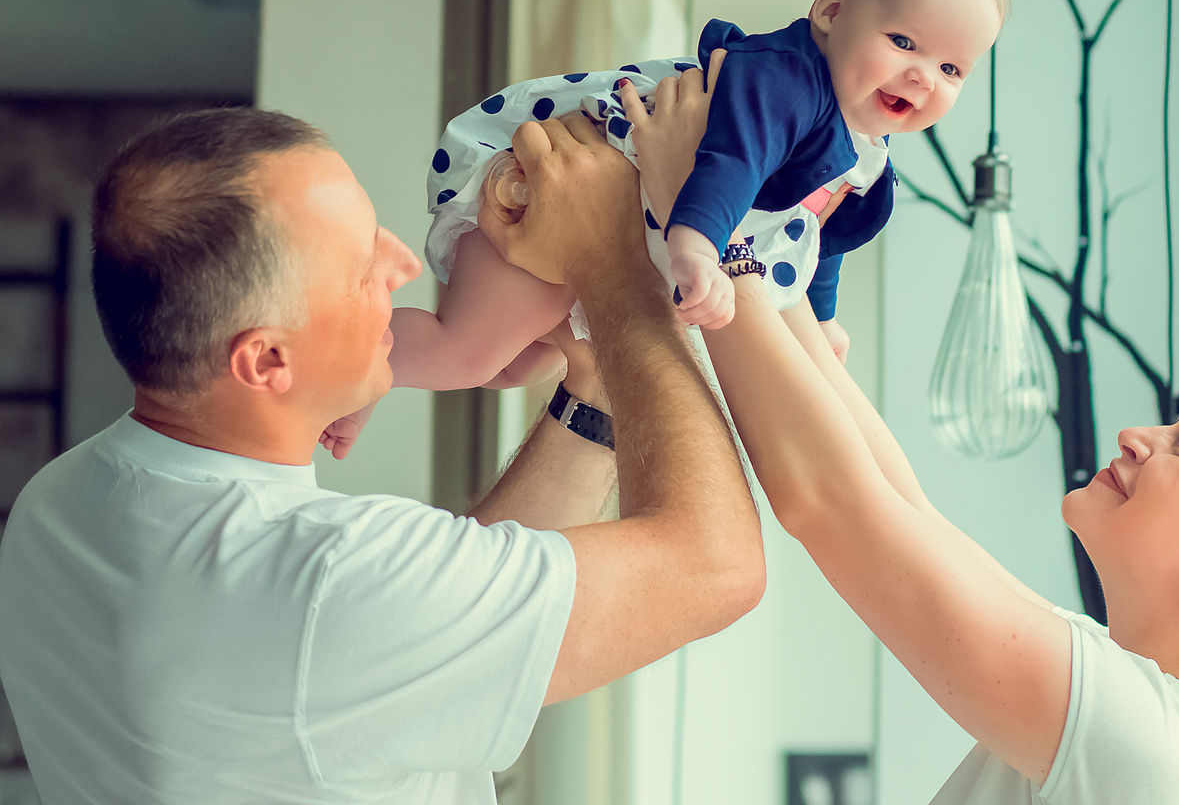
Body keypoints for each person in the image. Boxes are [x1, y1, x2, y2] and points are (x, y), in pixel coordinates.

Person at [618, 67, 1179, 804]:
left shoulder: (1153, 754)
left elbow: (836, 507)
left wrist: (697, 220)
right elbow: (901, 505)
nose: (1138, 435)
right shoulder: (1149, 710)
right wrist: (770, 229)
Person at [0, 102, 764, 803]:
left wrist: (596, 385)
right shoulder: (322, 586)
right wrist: (613, 270)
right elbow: (714, 566)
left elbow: (437, 643)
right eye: (363, 268)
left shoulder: (57, 509)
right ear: (266, 362)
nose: (402, 263)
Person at [321, 0, 1008, 454]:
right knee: (468, 355)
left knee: (516, 365)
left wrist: (822, 319)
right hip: (551, 175)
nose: (923, 77)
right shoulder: (784, 84)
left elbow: (812, 237)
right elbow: (728, 165)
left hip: (603, 226)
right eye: (903, 42)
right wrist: (696, 248)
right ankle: (343, 367)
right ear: (830, 12)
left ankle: (381, 365)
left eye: (951, 70)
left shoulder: (865, 150)